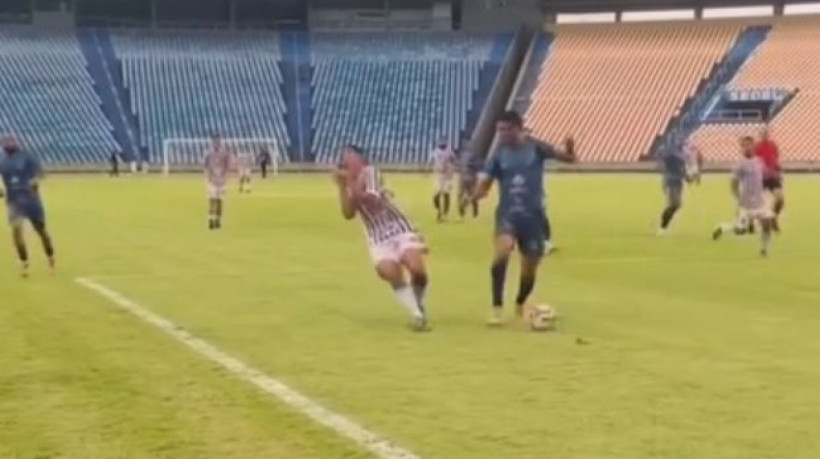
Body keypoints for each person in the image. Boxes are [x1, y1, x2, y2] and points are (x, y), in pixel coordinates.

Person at [471, 111, 576, 326]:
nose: (500, 134)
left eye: (505, 129)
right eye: (499, 130)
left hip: (534, 217)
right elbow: (486, 184)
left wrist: (570, 149)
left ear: (517, 128)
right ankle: (497, 307)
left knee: (529, 269)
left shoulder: (536, 147)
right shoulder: (499, 155)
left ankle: (520, 302)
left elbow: (568, 159)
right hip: (508, 215)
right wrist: (475, 195)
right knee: (501, 254)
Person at [333, 145, 430, 331]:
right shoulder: (347, 183)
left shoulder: (371, 173)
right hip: (378, 237)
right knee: (390, 272)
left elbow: (371, 199)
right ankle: (417, 314)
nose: (347, 162)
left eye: (350, 157)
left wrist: (350, 185)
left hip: (399, 228)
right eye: (345, 159)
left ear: (361, 159)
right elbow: (348, 213)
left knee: (417, 269)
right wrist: (341, 188)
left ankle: (418, 303)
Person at [0, 136, 55, 277]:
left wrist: (33, 182)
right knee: (16, 231)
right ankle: (24, 263)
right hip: (14, 201)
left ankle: (50, 256)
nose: (9, 144)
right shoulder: (2, 160)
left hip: (31, 200)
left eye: (11, 142)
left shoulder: (26, 156)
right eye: (6, 142)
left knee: (40, 230)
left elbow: (40, 173)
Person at [712, 136, 774, 257]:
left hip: (760, 201)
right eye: (744, 145)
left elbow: (764, 176)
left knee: (767, 224)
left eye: (749, 145)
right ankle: (721, 228)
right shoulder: (740, 164)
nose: (747, 147)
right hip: (746, 202)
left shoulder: (759, 161)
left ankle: (764, 250)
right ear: (742, 148)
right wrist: (738, 198)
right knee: (739, 230)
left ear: (753, 146)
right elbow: (733, 183)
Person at [754, 127, 784, 231]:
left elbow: (776, 160)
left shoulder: (773, 145)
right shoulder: (756, 147)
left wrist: (779, 171)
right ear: (760, 135)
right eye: (763, 133)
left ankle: (774, 217)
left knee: (780, 199)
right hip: (760, 178)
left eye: (766, 133)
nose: (765, 135)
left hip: (772, 177)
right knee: (760, 203)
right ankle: (753, 222)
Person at [657, 138, 688, 235]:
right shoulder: (672, 156)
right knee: (674, 204)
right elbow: (662, 158)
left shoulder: (681, 158)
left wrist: (689, 178)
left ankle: (664, 221)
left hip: (678, 182)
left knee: (676, 205)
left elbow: (683, 172)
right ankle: (663, 226)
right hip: (671, 182)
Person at [203, 134, 232, 230]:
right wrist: (208, 177)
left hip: (222, 181)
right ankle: (211, 220)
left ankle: (218, 220)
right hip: (212, 181)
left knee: (220, 201)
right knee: (212, 200)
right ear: (212, 143)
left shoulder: (225, 154)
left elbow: (228, 166)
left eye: (217, 141)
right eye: (214, 142)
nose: (216, 143)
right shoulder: (208, 154)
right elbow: (205, 167)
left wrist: (225, 176)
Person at [430, 136, 456, 222]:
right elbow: (433, 161)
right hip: (439, 175)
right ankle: (439, 210)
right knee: (437, 195)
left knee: (446, 194)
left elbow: (454, 161)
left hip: (447, 176)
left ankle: (444, 213)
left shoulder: (449, 152)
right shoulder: (436, 151)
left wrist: (451, 170)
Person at [457, 137, 482, 219]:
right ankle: (470, 212)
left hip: (466, 176)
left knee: (465, 194)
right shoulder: (471, 154)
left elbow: (461, 165)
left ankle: (465, 210)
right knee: (470, 194)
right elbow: (476, 166)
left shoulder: (465, 154)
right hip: (468, 176)